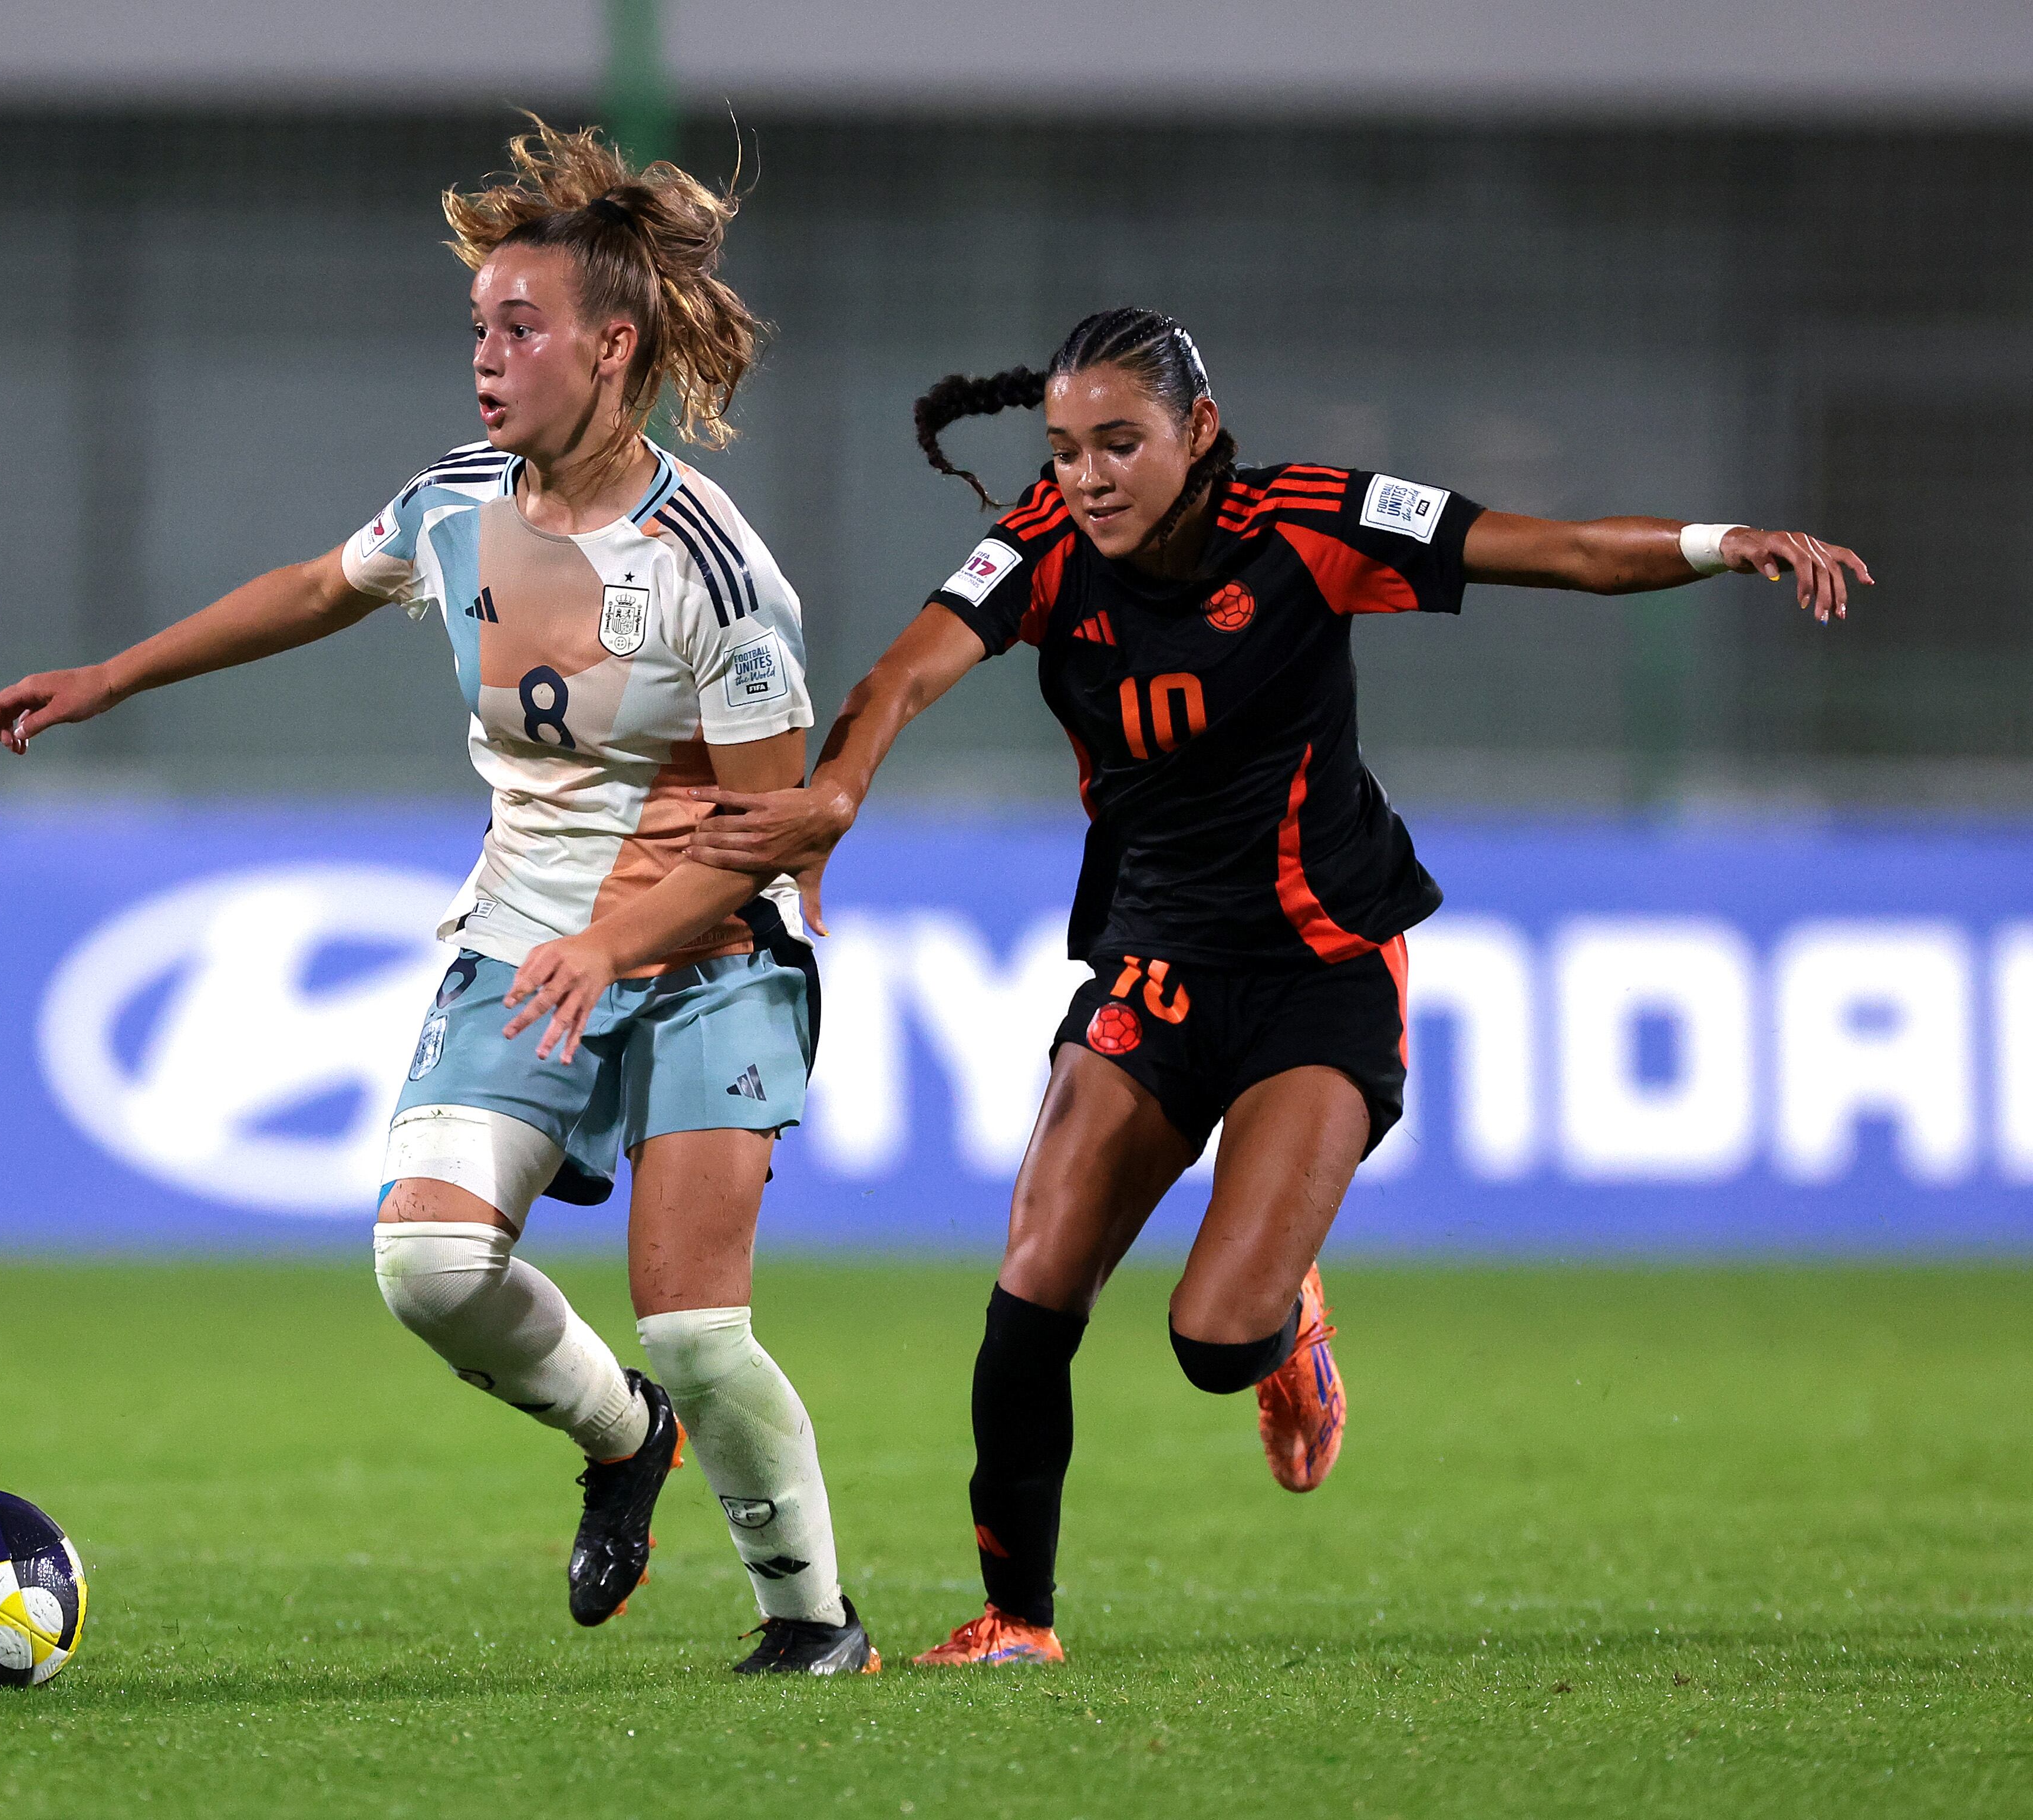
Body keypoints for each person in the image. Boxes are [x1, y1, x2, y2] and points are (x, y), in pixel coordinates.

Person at [681, 305, 1871, 1668]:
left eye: (1119, 443)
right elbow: (900, 674)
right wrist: (834, 789)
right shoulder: (1040, 551)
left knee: (1212, 1334)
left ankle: (1286, 1317)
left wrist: (1726, 544)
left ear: (1197, 431)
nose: (1087, 476)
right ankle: (1019, 1619)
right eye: (1065, 449)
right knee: (1031, 1286)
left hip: (1320, 973)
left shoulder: (1316, 519)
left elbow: (1563, 554)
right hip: (1152, 967)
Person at [0, 121, 878, 1676]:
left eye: (517, 329)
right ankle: (620, 1442)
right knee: (427, 1269)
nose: (485, 357)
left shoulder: (716, 575)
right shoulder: (455, 502)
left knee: (693, 1325)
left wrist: (620, 943)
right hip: (525, 940)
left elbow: (772, 838)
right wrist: (112, 676)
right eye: (475, 327)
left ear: (613, 345)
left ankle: (810, 1622)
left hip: (706, 960)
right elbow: (319, 588)